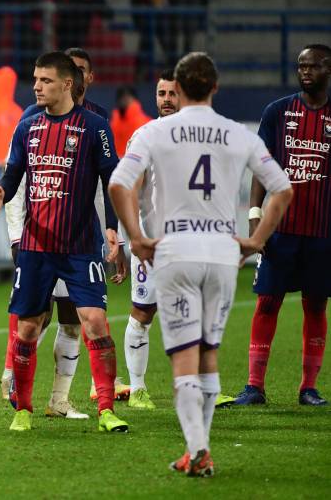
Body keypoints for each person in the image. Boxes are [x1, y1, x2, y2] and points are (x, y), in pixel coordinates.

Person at [109, 51, 293, 476]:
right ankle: (199, 449)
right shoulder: (237, 134)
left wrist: (137, 237)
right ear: (214, 87)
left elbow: (120, 184)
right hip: (223, 255)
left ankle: (198, 450)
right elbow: (281, 190)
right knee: (209, 351)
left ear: (179, 85)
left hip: (174, 253)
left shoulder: (154, 133)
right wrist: (254, 241)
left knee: (184, 357)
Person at [0, 51, 128, 433]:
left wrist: (113, 228)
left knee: (95, 322)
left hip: (81, 246)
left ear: (67, 84)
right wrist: (2, 191)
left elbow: (110, 181)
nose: (36, 86)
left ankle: (105, 409)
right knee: (29, 328)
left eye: (45, 80)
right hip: (36, 246)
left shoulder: (95, 127)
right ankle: (24, 409)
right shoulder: (27, 126)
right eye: (35, 79)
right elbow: (15, 169)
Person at [234, 44, 331, 407]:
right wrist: (255, 215)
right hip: (281, 229)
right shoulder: (278, 111)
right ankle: (254, 386)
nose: (306, 72)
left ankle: (309, 388)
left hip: (322, 230)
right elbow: (261, 165)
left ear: (329, 70)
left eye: (314, 66)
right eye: (301, 66)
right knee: (268, 302)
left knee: (316, 306)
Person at [119, 69, 179, 410]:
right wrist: (133, 237)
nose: (166, 100)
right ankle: (139, 389)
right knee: (143, 312)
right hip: (152, 242)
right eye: (162, 94)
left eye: (172, 94)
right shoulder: (144, 136)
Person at [110, 85, 152, 158]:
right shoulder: (115, 120)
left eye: (126, 97)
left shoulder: (145, 123)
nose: (124, 100)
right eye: (121, 97)